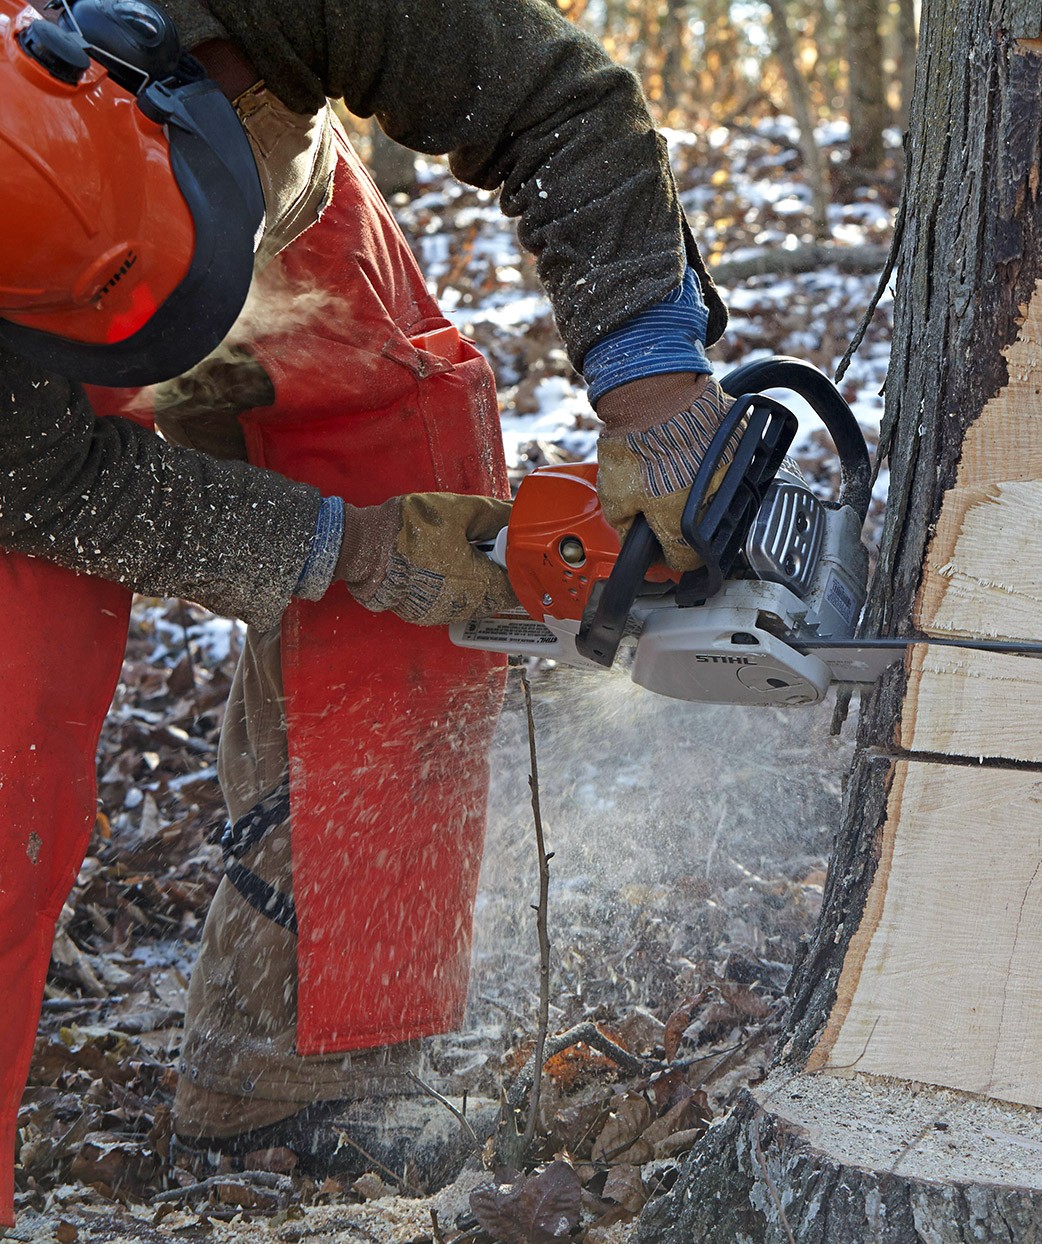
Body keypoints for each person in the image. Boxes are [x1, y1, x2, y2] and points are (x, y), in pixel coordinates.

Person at [0, 0, 735, 1220]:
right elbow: (45, 483)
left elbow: (560, 97)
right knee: (16, 700)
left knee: (415, 441)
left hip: (253, 199)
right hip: (16, 383)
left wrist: (655, 395)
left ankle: (302, 1060)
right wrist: (335, 547)